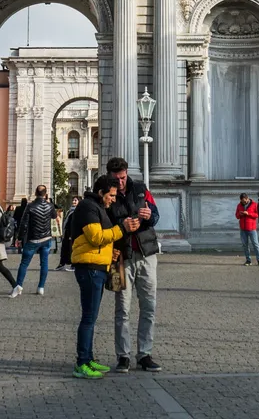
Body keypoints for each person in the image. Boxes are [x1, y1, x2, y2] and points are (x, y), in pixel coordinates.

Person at [69, 174, 140, 380]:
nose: (113, 199)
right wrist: (122, 228)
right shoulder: (88, 207)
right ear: (101, 193)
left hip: (98, 265)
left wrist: (111, 253)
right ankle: (82, 363)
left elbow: (101, 241)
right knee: (88, 318)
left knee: (92, 317)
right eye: (111, 195)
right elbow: (96, 237)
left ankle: (88, 358)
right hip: (89, 267)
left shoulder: (99, 208)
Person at [105, 157, 162, 372]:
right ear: (109, 175)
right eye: (115, 179)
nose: (119, 182)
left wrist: (149, 215)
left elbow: (155, 214)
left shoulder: (140, 189)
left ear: (127, 173)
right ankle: (123, 355)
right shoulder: (106, 193)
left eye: (122, 177)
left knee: (149, 305)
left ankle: (145, 353)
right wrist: (123, 225)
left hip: (146, 253)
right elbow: (103, 222)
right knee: (122, 307)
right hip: (119, 257)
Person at [14, 184, 55, 297]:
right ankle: (41, 287)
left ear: (36, 193)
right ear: (46, 194)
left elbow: (24, 223)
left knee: (24, 263)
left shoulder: (30, 206)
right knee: (44, 263)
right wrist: (48, 203)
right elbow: (54, 216)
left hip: (33, 239)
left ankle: (19, 286)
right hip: (46, 238)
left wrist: (19, 238)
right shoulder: (50, 206)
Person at [55, 195, 81, 272]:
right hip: (67, 232)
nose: (73, 201)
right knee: (64, 249)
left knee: (71, 250)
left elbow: (74, 224)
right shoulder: (70, 210)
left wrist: (71, 234)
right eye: (73, 200)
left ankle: (73, 265)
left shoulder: (78, 211)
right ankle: (61, 264)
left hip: (71, 233)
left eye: (75, 200)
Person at [236, 193, 259, 266]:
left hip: (252, 228)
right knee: (245, 245)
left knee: (255, 244)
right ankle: (248, 260)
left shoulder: (254, 204)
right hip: (243, 229)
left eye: (244, 201)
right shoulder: (239, 205)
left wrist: (248, 213)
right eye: (242, 201)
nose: (243, 202)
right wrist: (240, 214)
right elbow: (236, 215)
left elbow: (257, 215)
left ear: (248, 198)